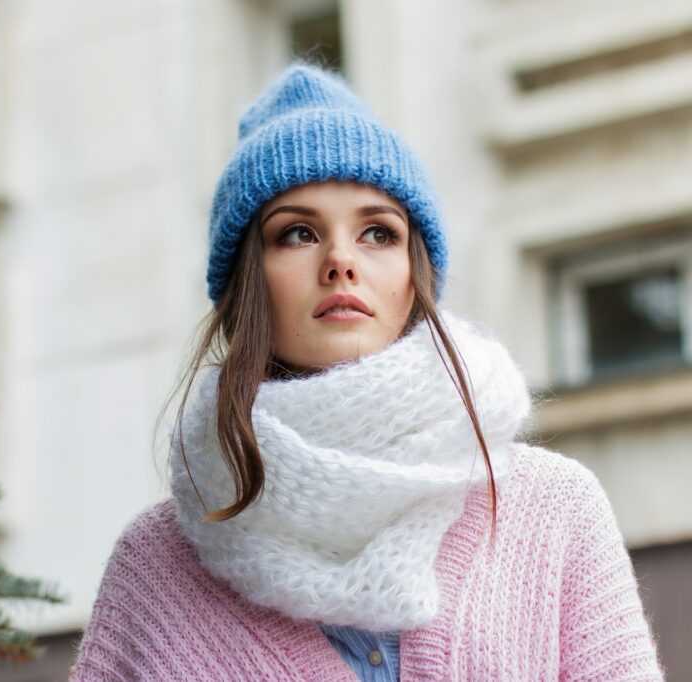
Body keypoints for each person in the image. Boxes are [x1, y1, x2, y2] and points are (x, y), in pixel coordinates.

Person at [69, 63, 664, 681]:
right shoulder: (156, 570)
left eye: (378, 232)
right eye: (297, 233)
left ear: (415, 275)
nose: (340, 261)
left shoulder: (554, 512)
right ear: (248, 281)